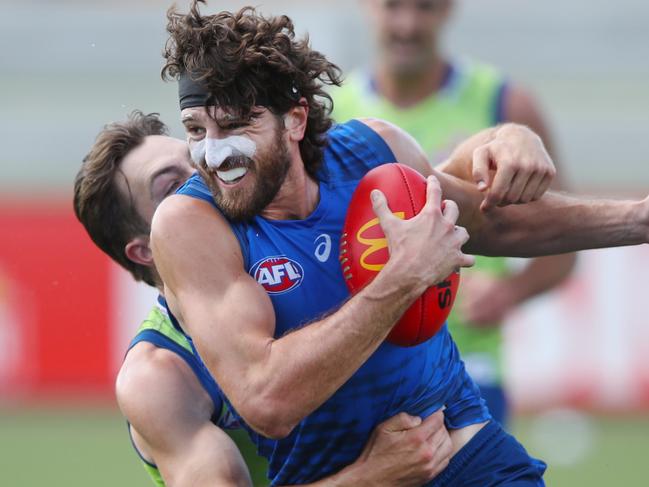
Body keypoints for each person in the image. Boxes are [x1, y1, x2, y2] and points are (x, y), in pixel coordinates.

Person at [152, 3, 649, 486]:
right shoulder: (190, 223)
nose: (213, 155)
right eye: (197, 130)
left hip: (465, 453)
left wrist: (639, 218)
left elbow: (492, 224)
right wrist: (402, 279)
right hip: (338, 475)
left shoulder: (374, 150)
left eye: (237, 125)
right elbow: (266, 401)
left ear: (295, 120)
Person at [73, 111, 454, 487]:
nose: (208, 176)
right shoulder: (159, 378)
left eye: (197, 160)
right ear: (144, 251)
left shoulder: (296, 253)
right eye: (172, 187)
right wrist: (370, 478)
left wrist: (503, 142)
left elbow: (449, 187)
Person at [332, 0, 576, 426]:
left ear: (448, 11)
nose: (407, 25)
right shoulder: (334, 111)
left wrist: (510, 293)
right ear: (368, 8)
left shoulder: (503, 103)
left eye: (425, 8)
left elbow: (566, 237)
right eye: (393, 7)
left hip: (472, 369)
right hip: (365, 368)